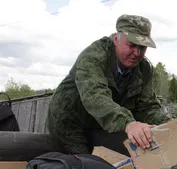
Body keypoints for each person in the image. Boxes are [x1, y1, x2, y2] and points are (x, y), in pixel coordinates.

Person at [46, 14, 170, 155]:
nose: (137, 53)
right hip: (70, 122)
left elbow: (147, 106)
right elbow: (95, 97)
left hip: (102, 125)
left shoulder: (143, 68)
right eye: (132, 45)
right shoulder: (93, 57)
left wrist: (168, 124)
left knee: (123, 162)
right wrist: (129, 123)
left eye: (142, 47)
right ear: (116, 39)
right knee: (84, 168)